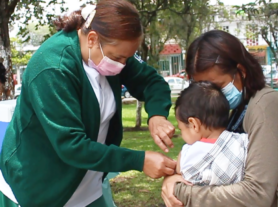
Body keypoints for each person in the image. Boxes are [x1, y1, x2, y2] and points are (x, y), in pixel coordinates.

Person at [0, 1, 177, 207]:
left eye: (126, 59)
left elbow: (151, 82)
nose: (122, 65)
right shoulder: (53, 68)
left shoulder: (110, 51)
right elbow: (71, 145)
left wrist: (157, 114)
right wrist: (139, 160)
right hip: (40, 188)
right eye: (118, 57)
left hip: (86, 184)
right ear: (92, 38)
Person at [161, 30, 278, 207]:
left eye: (216, 86)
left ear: (241, 71)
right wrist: (176, 177)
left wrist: (181, 191)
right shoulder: (238, 109)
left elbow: (256, 193)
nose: (210, 95)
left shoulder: (266, 106)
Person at [175, 81, 248, 188]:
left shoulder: (189, 152)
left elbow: (181, 171)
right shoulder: (242, 141)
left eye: (181, 129)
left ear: (194, 124)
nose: (182, 135)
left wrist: (181, 155)